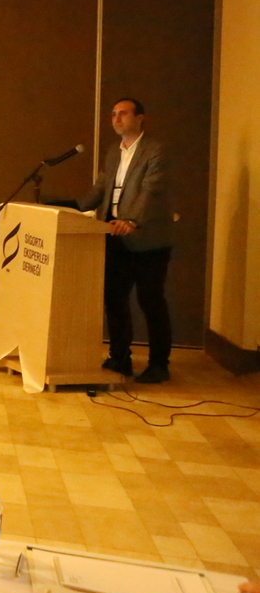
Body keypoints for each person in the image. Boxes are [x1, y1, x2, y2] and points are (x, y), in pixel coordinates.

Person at [68, 98, 174, 383]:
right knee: (114, 299)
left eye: (123, 114)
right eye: (114, 114)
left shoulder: (156, 150)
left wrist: (132, 221)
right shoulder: (113, 153)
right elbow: (100, 189)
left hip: (148, 239)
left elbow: (151, 191)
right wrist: (70, 207)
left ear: (140, 118)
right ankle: (120, 358)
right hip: (114, 235)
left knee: (150, 300)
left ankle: (159, 364)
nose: (116, 119)